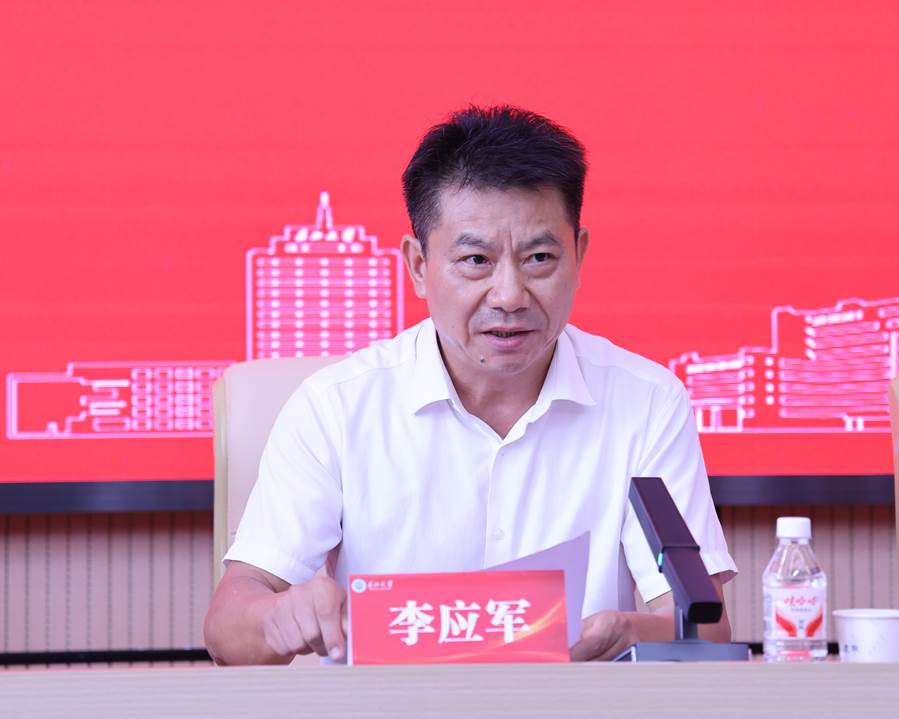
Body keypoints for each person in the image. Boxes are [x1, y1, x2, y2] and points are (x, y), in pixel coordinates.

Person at [203, 106, 737, 665]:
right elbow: (227, 628)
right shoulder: (335, 408)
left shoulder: (647, 402)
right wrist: (280, 618)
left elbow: (705, 626)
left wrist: (627, 632)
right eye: (476, 260)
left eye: (539, 258)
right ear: (418, 265)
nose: (509, 295)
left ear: (578, 255)